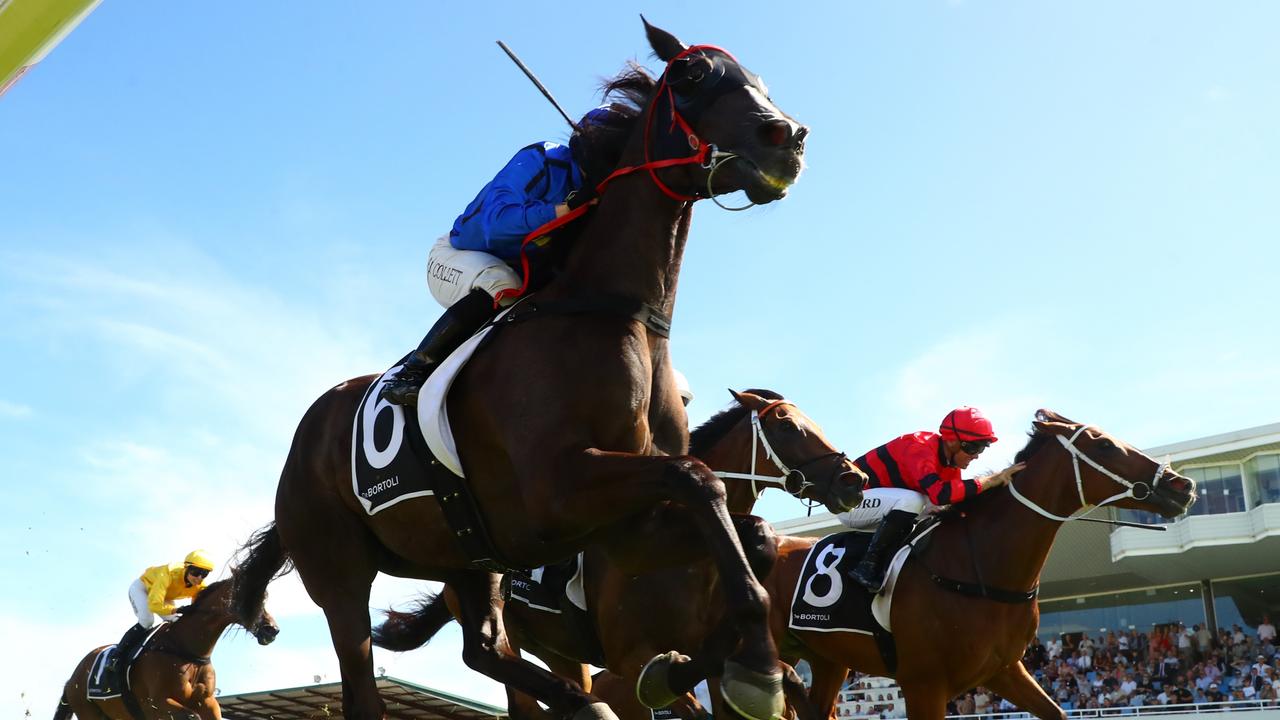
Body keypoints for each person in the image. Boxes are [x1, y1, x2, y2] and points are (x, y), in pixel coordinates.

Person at [380, 105, 630, 407]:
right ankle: (412, 372)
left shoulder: (601, 193)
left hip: (523, 279)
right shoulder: (542, 159)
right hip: (458, 255)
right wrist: (561, 210)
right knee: (500, 283)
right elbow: (495, 225)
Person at [836, 407, 1022, 591]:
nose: (976, 455)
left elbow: (953, 505)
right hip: (850, 503)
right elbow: (941, 494)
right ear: (951, 441)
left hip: (881, 504)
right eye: (973, 447)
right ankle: (867, 566)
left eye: (982, 448)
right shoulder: (920, 447)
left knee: (938, 511)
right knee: (915, 501)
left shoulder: (951, 468)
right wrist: (992, 479)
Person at [106, 550, 214, 675]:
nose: (199, 578)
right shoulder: (167, 573)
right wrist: (177, 609)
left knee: (178, 622)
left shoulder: (200, 586)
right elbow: (154, 605)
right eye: (196, 572)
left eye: (204, 574)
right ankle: (115, 656)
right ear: (186, 568)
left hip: (165, 596)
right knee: (147, 621)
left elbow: (198, 608)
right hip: (143, 589)